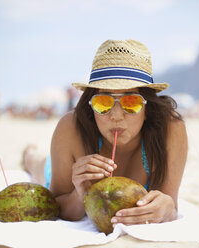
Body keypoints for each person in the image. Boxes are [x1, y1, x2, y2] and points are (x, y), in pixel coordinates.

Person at [23, 39, 188, 226]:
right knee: (36, 166)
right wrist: (79, 194)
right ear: (91, 102)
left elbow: (170, 205)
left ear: (146, 105)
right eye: (104, 102)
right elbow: (56, 205)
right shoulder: (71, 127)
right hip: (56, 169)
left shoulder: (171, 129)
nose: (116, 116)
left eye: (131, 102)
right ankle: (29, 153)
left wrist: (167, 209)